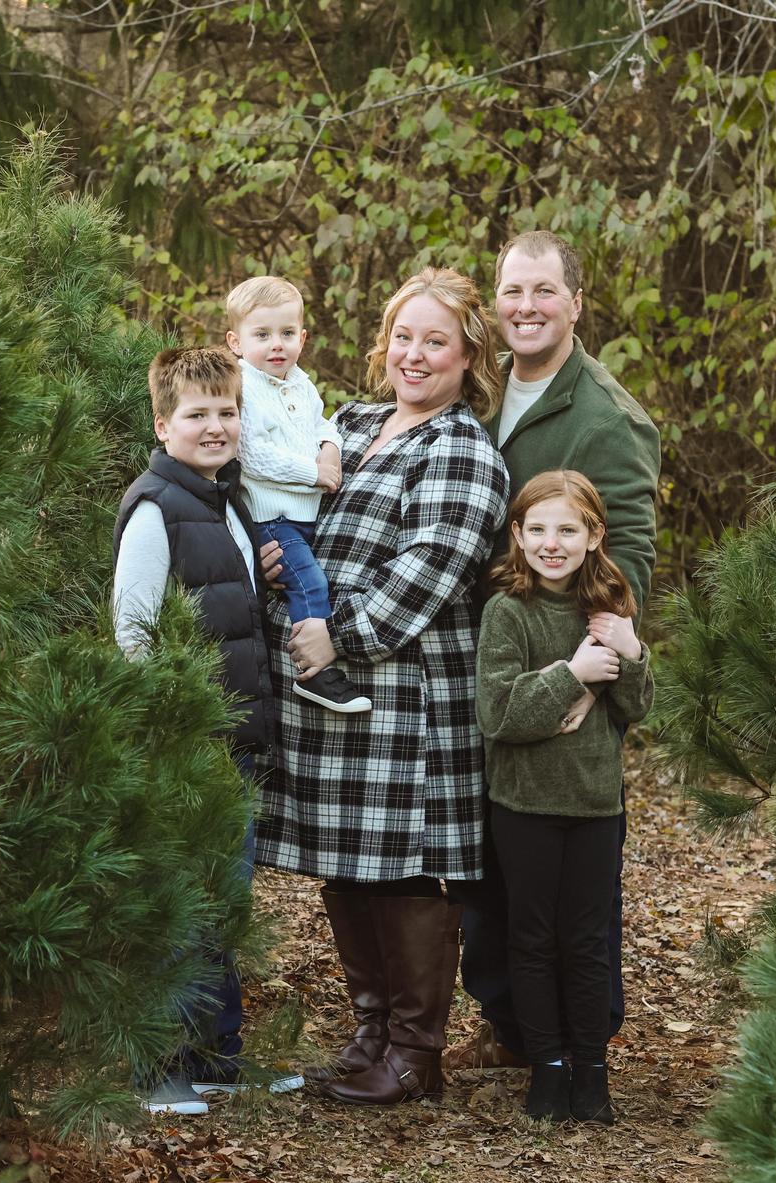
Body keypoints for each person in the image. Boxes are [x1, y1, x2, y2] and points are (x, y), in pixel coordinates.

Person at [254, 267, 509, 1106]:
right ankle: (368, 1035)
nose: (414, 354)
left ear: (468, 354)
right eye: (404, 335)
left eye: (435, 340)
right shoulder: (352, 424)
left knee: (401, 872)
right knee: (348, 867)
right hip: (324, 690)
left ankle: (414, 1052)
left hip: (405, 697)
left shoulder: (463, 448)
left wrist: (341, 631)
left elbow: (429, 569)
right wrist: (271, 555)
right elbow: (288, 506)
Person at [450, 230, 664, 1073]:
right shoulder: (486, 392)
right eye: (512, 292)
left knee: (566, 875)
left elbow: (633, 554)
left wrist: (590, 674)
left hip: (559, 669)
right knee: (494, 851)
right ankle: (512, 1020)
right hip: (488, 656)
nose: (526, 308)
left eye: (543, 292)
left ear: (576, 302)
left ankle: (575, 1036)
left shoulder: (607, 418)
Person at [111, 345, 302, 1115]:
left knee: (225, 903)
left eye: (227, 413)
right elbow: (132, 633)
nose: (216, 426)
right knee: (179, 902)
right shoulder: (156, 506)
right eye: (198, 415)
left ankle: (216, 1056)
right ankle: (156, 1069)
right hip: (187, 744)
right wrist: (169, 732)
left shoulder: (226, 501)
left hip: (238, 741)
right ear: (163, 424)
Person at [476, 470, 653, 1123]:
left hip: (594, 804)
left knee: (586, 941)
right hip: (524, 805)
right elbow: (499, 714)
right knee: (530, 937)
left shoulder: (608, 608)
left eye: (567, 530)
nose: (553, 543)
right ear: (518, 536)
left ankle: (591, 1069)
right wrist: (571, 675)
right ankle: (545, 1066)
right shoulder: (508, 613)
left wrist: (630, 652)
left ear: (593, 535)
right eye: (539, 530)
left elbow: (634, 708)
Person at [224, 275, 371, 715]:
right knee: (310, 583)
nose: (277, 345)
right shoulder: (244, 387)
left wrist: (330, 451)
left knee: (299, 584)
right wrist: (314, 473)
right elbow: (253, 457)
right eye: (262, 335)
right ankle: (316, 673)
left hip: (304, 517)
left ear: (302, 338)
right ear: (235, 341)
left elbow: (323, 425)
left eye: (287, 334)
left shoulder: (300, 383)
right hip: (274, 519)